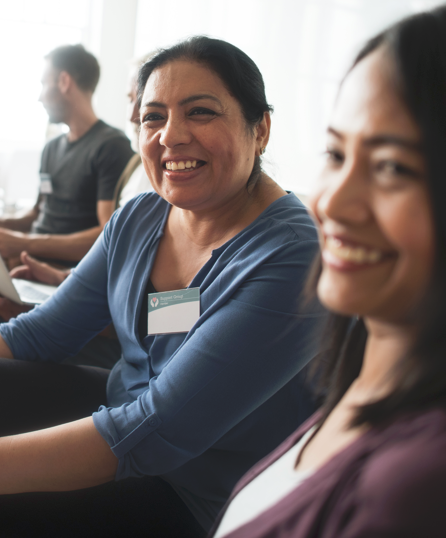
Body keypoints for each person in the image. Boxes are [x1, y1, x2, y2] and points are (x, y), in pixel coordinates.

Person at [208, 2, 446, 537]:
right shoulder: (370, 371)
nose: (332, 202)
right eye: (335, 153)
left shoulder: (430, 492)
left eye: (392, 167)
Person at [0, 37, 325, 537]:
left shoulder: (293, 255)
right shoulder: (141, 215)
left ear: (259, 128)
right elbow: (38, 336)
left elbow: (157, 431)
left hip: (199, 490)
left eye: (200, 112)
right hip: (121, 412)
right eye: (153, 117)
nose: (170, 136)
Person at [0, 44, 134, 266]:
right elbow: (37, 213)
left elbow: (107, 233)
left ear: (64, 82)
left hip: (61, 272)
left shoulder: (111, 146)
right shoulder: (51, 148)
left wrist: (25, 243)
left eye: (44, 84)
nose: (39, 97)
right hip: (24, 259)